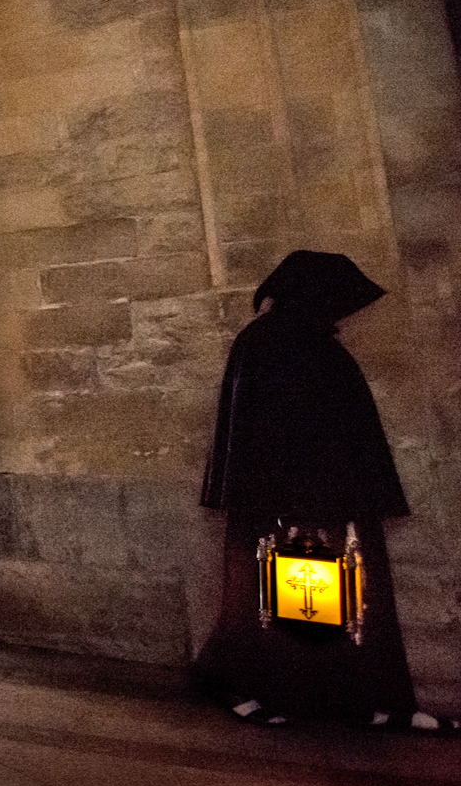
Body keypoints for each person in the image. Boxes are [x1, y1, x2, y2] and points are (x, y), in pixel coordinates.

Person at [193, 251, 451, 731]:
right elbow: (261, 430)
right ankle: (275, 694)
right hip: (291, 506)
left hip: (330, 501)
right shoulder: (269, 342)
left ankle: (368, 701)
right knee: (287, 609)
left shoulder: (306, 342)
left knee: (350, 609)